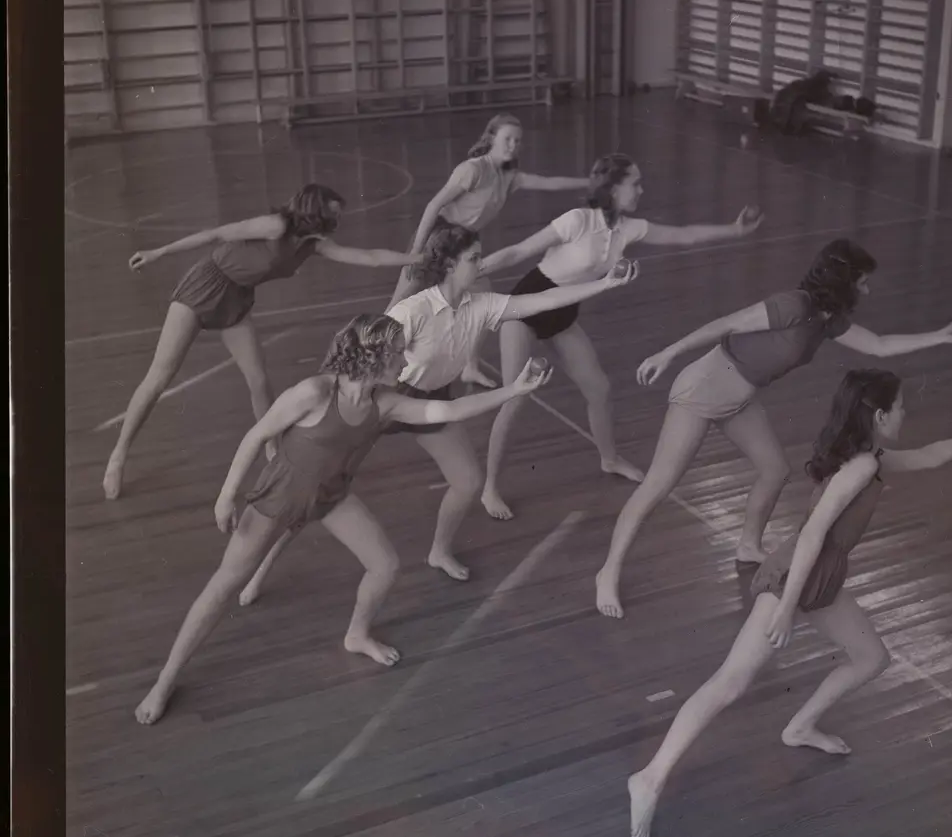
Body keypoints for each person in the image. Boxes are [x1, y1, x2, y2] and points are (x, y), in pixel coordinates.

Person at [626, 370, 952, 837]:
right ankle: (649, 778)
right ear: (880, 415)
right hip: (797, 574)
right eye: (901, 406)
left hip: (822, 576)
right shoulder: (860, 467)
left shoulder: (872, 458)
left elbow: (930, 456)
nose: (906, 413)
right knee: (731, 682)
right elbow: (811, 534)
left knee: (871, 658)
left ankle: (800, 726)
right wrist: (786, 608)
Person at [134, 313, 552, 726]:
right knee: (223, 586)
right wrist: (226, 496)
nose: (405, 360)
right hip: (278, 498)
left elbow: (451, 410)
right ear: (374, 357)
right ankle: (165, 680)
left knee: (385, 565)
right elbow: (256, 435)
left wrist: (514, 389)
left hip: (332, 497)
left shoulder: (385, 404)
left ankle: (357, 634)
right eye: (398, 352)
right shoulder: (314, 392)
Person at [240, 221, 638, 599]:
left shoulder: (482, 304)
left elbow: (541, 300)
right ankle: (260, 570)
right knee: (322, 486)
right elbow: (362, 356)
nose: (482, 263)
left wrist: (604, 284)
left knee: (468, 480)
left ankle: (439, 551)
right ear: (449, 265)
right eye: (473, 258)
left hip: (431, 400)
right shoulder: (413, 311)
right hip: (384, 399)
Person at [595, 238, 952, 618]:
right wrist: (668, 353)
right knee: (658, 485)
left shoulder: (828, 321)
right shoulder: (793, 305)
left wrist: (942, 335)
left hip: (740, 398)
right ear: (844, 282)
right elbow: (727, 324)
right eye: (862, 281)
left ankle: (748, 545)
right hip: (703, 389)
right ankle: (608, 571)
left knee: (775, 470)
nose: (867, 289)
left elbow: (880, 344)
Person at [478, 152, 765, 521]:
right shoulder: (577, 220)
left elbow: (685, 235)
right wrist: (472, 269)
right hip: (525, 308)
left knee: (599, 389)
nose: (641, 190)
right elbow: (518, 251)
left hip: (564, 312)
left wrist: (735, 230)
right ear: (613, 188)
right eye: (635, 183)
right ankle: (489, 487)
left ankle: (609, 458)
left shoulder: (628, 228)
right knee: (515, 399)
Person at [104, 184, 417, 501]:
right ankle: (118, 455)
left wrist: (416, 257)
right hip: (206, 284)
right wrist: (159, 253)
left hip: (236, 298)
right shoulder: (275, 226)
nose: (337, 221)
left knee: (258, 380)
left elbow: (369, 257)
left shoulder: (314, 244)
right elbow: (216, 234)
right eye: (333, 214)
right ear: (314, 211)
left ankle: (271, 452)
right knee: (159, 377)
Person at [386, 113, 590, 387]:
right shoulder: (472, 169)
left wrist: (589, 183)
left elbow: (550, 182)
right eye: (508, 139)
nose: (513, 145)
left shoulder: (510, 177)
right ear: (492, 138)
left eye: (517, 141)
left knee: (480, 297)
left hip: (464, 243)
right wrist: (416, 250)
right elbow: (433, 205)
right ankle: (369, 358)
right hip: (439, 236)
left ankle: (470, 367)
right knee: (402, 298)